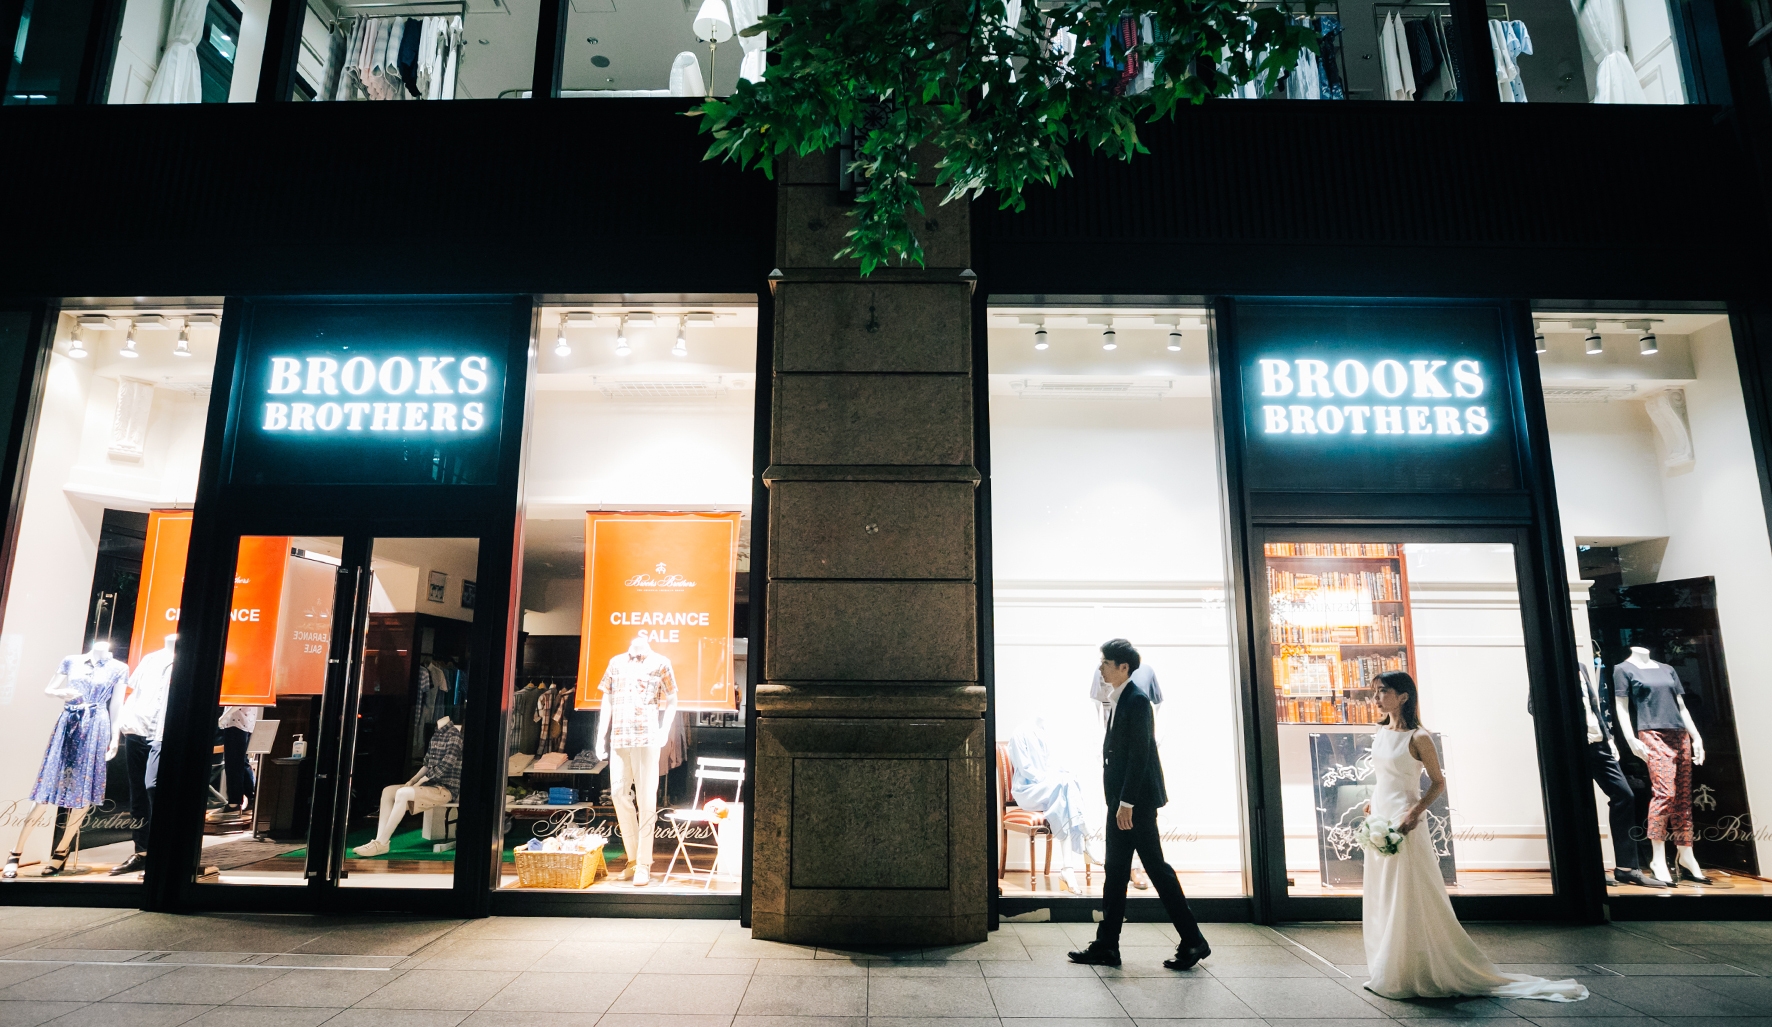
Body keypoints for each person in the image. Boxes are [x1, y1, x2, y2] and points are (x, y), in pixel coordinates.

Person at [1362, 671, 1587, 1001]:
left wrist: (1415, 811)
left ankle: (1412, 966)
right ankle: (1388, 963)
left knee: (1407, 891)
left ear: (1404, 696)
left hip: (1405, 819)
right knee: (1383, 890)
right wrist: (1372, 800)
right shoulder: (1381, 732)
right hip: (1381, 814)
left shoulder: (1419, 737)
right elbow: (1385, 775)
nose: (1376, 698)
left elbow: (1438, 782)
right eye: (1376, 692)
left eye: (1383, 691)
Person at [1068, 639, 1210, 971]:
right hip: (1122, 802)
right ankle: (1107, 945)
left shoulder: (1137, 700)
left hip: (1135, 804)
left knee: (1157, 870)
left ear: (1123, 668)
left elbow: (1140, 755)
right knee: (1115, 872)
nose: (1100, 668)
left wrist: (1127, 803)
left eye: (1106, 662)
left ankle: (1193, 940)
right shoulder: (1120, 699)